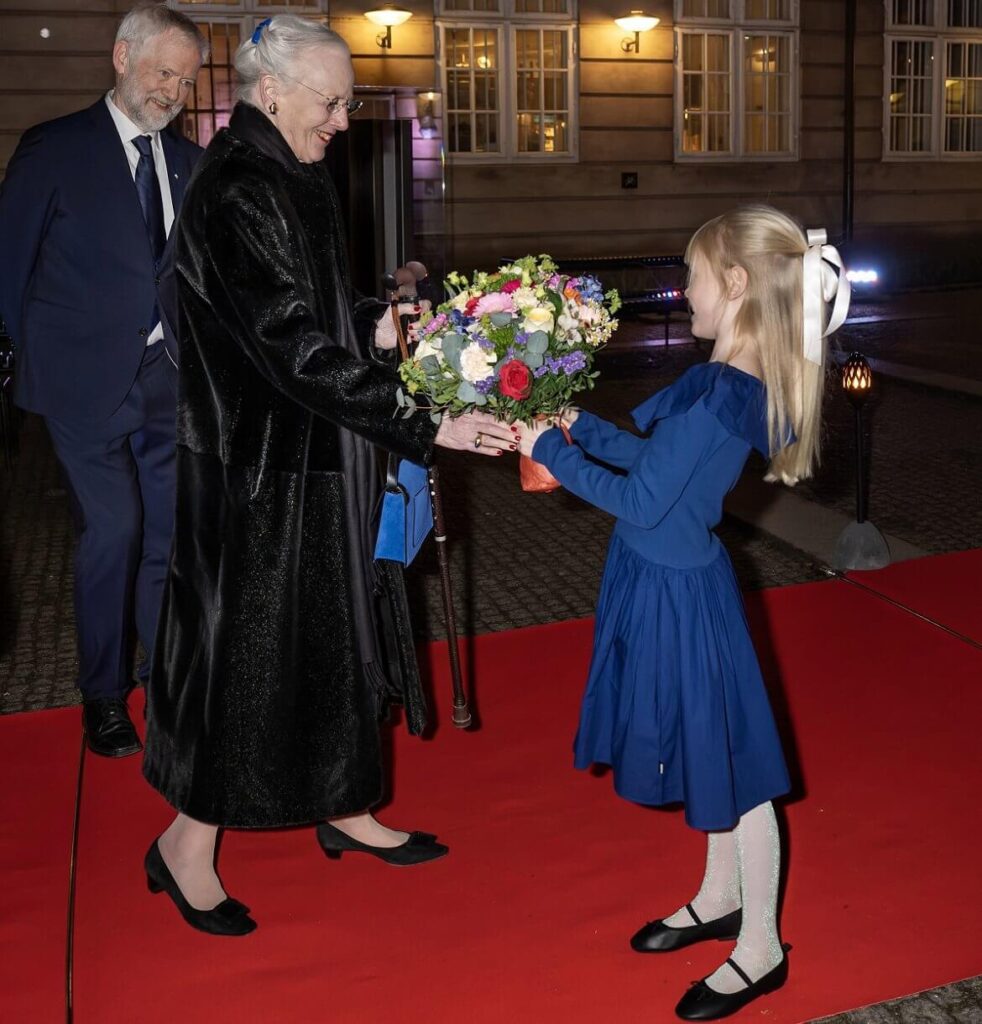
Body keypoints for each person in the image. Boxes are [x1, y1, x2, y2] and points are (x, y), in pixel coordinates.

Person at [141, 15, 516, 937]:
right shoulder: (236, 188)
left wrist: (379, 323)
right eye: (334, 101)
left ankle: (345, 805)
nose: (346, 119)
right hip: (255, 476)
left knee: (338, 638)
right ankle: (185, 846)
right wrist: (424, 420)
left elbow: (314, 310)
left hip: (317, 459)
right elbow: (287, 346)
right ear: (272, 93)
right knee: (247, 658)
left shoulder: (291, 170)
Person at [519, 205, 849, 1020]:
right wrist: (579, 427)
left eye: (693, 276)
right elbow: (651, 463)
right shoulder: (717, 382)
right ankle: (718, 897)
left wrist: (549, 451)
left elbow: (640, 496)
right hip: (654, 578)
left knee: (734, 769)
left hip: (681, 597)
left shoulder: (723, 394)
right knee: (710, 756)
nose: (682, 289)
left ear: (734, 285)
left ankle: (762, 946)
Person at [0, 4, 207, 757]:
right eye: (162, 72)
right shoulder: (53, 149)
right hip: (80, 386)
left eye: (186, 80)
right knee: (114, 530)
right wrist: (23, 365)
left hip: (168, 379)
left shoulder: (189, 163)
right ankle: (102, 693)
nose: (174, 91)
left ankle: (165, 680)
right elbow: (8, 268)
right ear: (122, 57)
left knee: (168, 536)